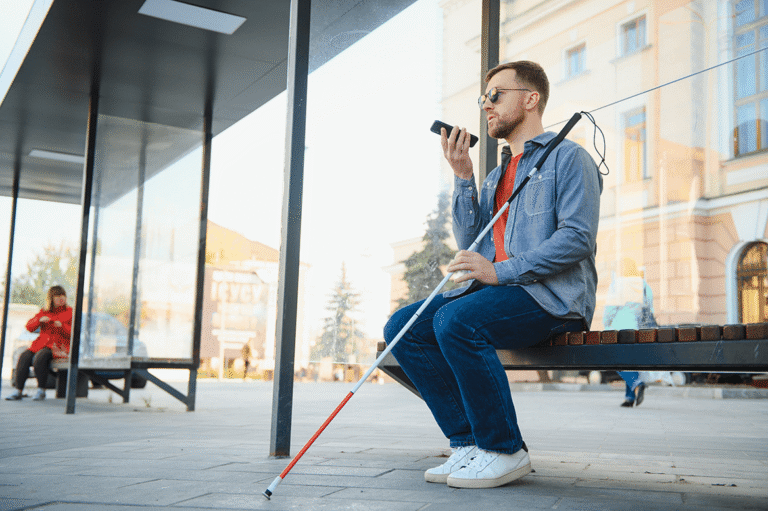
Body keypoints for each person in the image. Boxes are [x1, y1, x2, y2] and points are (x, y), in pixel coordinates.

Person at [383, 61, 602, 489]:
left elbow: (577, 238)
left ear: (530, 98)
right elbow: (473, 242)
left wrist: (501, 271)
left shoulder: (569, 158)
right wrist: (463, 178)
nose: (486, 104)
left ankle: (504, 449)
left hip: (552, 298)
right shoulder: (498, 174)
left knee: (456, 320)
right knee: (403, 326)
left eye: (496, 95)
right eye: (483, 97)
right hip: (501, 293)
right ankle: (468, 443)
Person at [603, 258, 655, 407]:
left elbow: (610, 308)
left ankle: (636, 383)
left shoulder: (618, 284)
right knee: (630, 363)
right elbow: (649, 309)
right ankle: (630, 398)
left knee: (615, 360)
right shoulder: (644, 285)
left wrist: (606, 323)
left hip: (619, 327)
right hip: (636, 329)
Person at [6, 286, 72, 401]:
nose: (61, 298)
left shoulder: (69, 312)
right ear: (51, 298)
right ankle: (18, 390)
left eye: (63, 295)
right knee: (24, 357)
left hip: (59, 346)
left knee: (40, 358)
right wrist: (39, 320)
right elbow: (29, 327)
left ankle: (41, 390)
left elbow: (73, 333)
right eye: (58, 296)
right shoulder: (44, 311)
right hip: (41, 345)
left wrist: (61, 326)